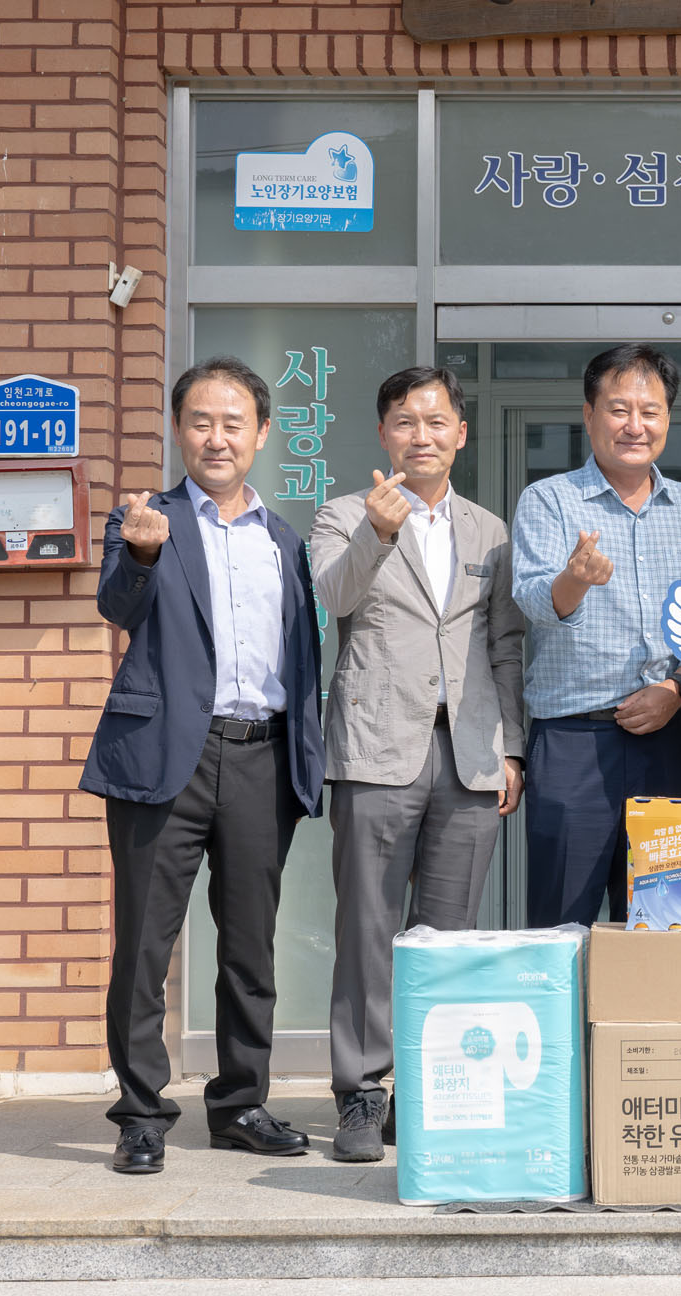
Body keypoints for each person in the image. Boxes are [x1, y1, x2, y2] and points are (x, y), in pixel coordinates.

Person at [79, 356, 325, 1176]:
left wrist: (306, 757)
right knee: (145, 948)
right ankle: (140, 1114)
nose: (216, 438)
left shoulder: (284, 540)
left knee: (251, 947)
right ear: (179, 430)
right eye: (200, 422)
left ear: (261, 433)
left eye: (233, 423)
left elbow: (303, 657)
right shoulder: (144, 520)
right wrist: (142, 555)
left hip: (260, 757)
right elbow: (118, 605)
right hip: (163, 761)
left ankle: (240, 1104)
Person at [309, 365, 526, 1163]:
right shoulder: (344, 515)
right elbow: (333, 597)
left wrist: (511, 748)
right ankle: (360, 1093)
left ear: (461, 434)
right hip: (375, 748)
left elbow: (506, 645)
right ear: (383, 434)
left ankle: (430, 1089)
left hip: (468, 755)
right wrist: (377, 532)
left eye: (436, 422)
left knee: (448, 938)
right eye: (405, 421)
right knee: (368, 930)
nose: (421, 436)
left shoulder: (490, 531)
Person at [511, 344, 681, 927]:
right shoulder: (549, 500)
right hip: (572, 742)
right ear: (589, 415)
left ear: (667, 419)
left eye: (650, 411)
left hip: (663, 736)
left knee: (659, 919)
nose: (635, 426)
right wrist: (575, 581)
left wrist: (679, 688)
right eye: (619, 409)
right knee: (562, 922)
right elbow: (533, 601)